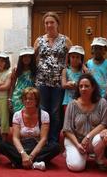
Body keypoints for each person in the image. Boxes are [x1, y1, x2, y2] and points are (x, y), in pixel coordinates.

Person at [0, 87, 60, 170]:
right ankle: (36, 163)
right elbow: (15, 138)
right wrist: (23, 154)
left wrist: (31, 156)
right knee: (2, 144)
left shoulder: (44, 115)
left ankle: (20, 163)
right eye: (25, 99)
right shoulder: (17, 115)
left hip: (37, 148)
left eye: (31, 99)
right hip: (22, 148)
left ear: (37, 101)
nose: (27, 101)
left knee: (56, 147)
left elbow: (43, 139)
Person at [34, 11, 72, 143]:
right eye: (46, 23)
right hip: (41, 81)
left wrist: (83, 68)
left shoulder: (65, 40)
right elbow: (32, 58)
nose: (49, 25)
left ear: (57, 24)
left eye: (52, 22)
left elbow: (73, 57)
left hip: (58, 81)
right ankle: (43, 139)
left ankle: (53, 140)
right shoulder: (39, 40)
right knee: (43, 110)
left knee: (55, 112)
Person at [62, 73, 107, 172]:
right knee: (76, 167)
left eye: (87, 86)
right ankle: (72, 152)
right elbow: (67, 129)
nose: (83, 88)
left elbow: (104, 124)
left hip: (92, 141)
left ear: (93, 87)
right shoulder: (72, 105)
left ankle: (98, 159)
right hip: (75, 140)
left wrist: (88, 136)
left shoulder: (102, 102)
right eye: (81, 86)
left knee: (102, 137)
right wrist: (78, 145)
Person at [8, 46, 36, 113]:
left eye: (29, 56)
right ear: (21, 58)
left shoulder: (35, 70)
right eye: (24, 56)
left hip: (30, 97)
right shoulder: (16, 70)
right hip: (17, 97)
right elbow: (12, 85)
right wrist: (9, 99)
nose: (26, 58)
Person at [62, 45, 84, 112]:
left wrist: (83, 66)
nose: (75, 59)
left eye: (77, 57)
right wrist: (70, 84)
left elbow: (86, 83)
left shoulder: (82, 71)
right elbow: (64, 85)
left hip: (80, 101)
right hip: (68, 101)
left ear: (81, 59)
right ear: (69, 58)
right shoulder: (65, 70)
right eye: (73, 57)